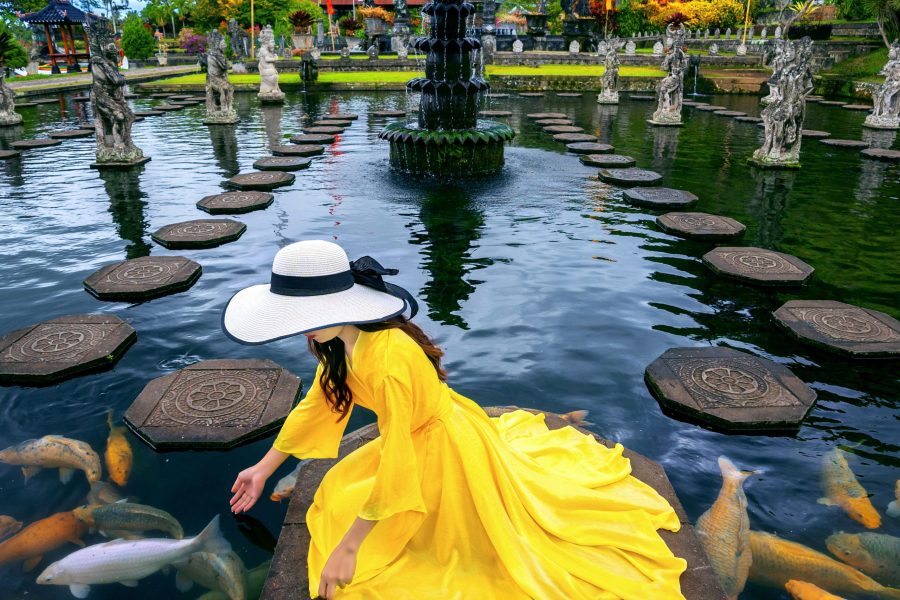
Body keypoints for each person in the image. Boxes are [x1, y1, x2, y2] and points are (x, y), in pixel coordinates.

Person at [224, 240, 687, 600]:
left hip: (443, 445)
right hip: (410, 436)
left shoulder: (389, 358)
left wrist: (349, 548)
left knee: (452, 551)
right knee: (348, 508)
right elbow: (320, 403)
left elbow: (401, 459)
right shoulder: (334, 343)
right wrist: (264, 468)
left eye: (310, 313)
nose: (304, 325)